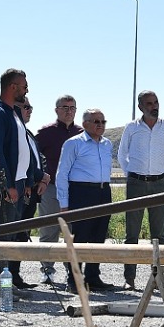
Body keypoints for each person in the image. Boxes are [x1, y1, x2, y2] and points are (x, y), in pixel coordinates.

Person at [117, 90, 164, 289]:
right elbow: (122, 154)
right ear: (140, 107)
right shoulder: (132, 128)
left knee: (159, 233)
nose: (154, 106)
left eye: (156, 102)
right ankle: (129, 279)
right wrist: (134, 174)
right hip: (136, 183)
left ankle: (158, 279)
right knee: (132, 233)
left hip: (160, 183)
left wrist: (161, 174)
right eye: (149, 103)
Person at [0, 68, 33, 291]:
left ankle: (3, 285)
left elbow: (21, 151)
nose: (27, 89)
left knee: (10, 238)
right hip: (5, 188)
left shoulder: (14, 114)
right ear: (12, 87)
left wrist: (25, 182)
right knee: (2, 237)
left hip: (17, 186)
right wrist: (7, 185)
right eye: (24, 85)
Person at [54, 108, 115, 291]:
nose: (100, 125)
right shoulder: (74, 143)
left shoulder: (107, 144)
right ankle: (74, 279)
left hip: (103, 192)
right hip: (81, 193)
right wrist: (64, 204)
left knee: (98, 236)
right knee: (80, 237)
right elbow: (62, 173)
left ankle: (93, 277)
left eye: (103, 122)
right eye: (96, 121)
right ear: (85, 123)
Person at [34, 95, 82, 287]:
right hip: (51, 188)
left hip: (75, 190)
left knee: (73, 232)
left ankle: (73, 272)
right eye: (65, 107)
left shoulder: (82, 133)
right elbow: (34, 157)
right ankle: (47, 271)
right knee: (49, 230)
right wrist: (41, 178)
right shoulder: (45, 133)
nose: (69, 111)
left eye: (72, 107)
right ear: (57, 110)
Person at [6, 97, 45, 289]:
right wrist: (40, 176)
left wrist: (42, 178)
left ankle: (15, 275)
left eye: (31, 107)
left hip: (32, 193)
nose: (30, 111)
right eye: (26, 107)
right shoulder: (16, 133)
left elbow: (36, 160)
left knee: (22, 235)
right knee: (11, 235)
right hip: (20, 191)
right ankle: (2, 277)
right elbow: (24, 163)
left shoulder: (28, 133)